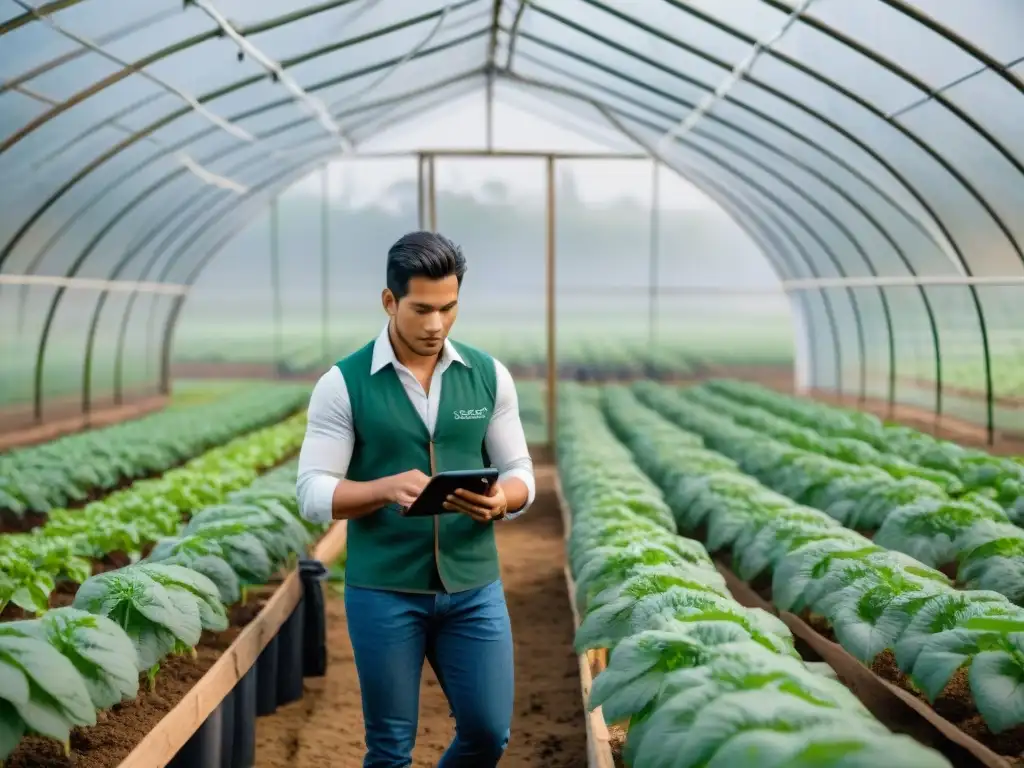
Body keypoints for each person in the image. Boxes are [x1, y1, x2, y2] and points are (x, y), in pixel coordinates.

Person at [296, 230, 535, 768]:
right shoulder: (343, 383)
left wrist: (502, 501)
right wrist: (382, 489)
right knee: (390, 748)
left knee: (488, 733)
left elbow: (521, 472)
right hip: (385, 592)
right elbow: (312, 493)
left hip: (473, 589)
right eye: (421, 309)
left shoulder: (489, 376)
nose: (435, 325)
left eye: (448, 308)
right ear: (389, 301)